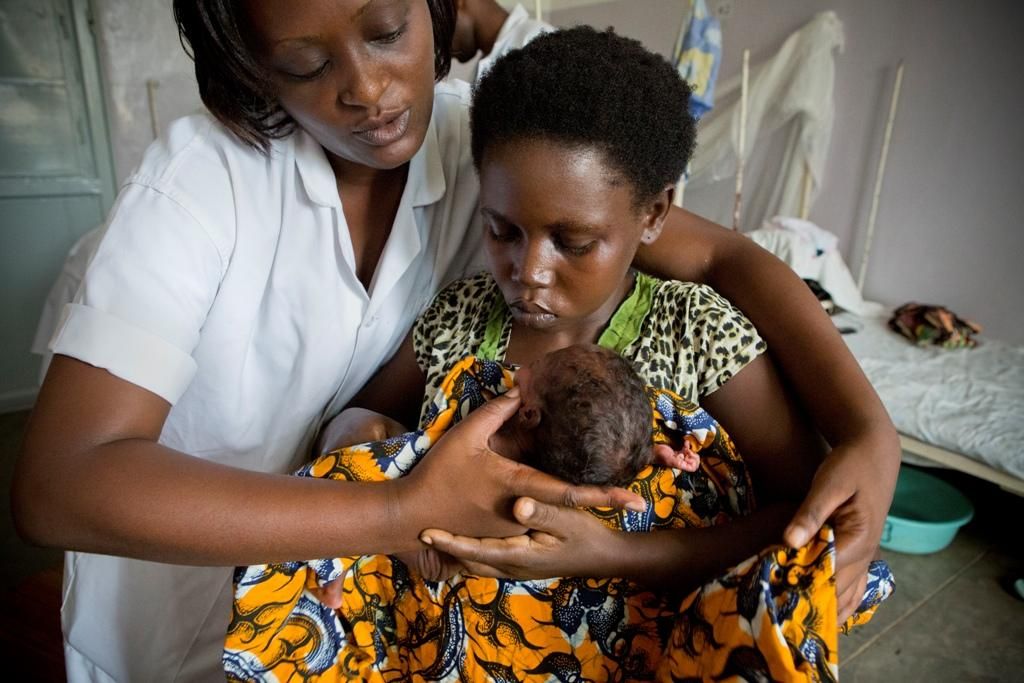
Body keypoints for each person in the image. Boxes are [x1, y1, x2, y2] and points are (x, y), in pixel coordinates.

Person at [10, 1, 898, 680]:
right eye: (304, 61)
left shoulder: (489, 150)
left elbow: (728, 253)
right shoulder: (204, 184)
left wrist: (870, 431)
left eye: (390, 29)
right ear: (249, 65)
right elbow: (59, 484)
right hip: (173, 617)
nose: (365, 89)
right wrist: (387, 497)